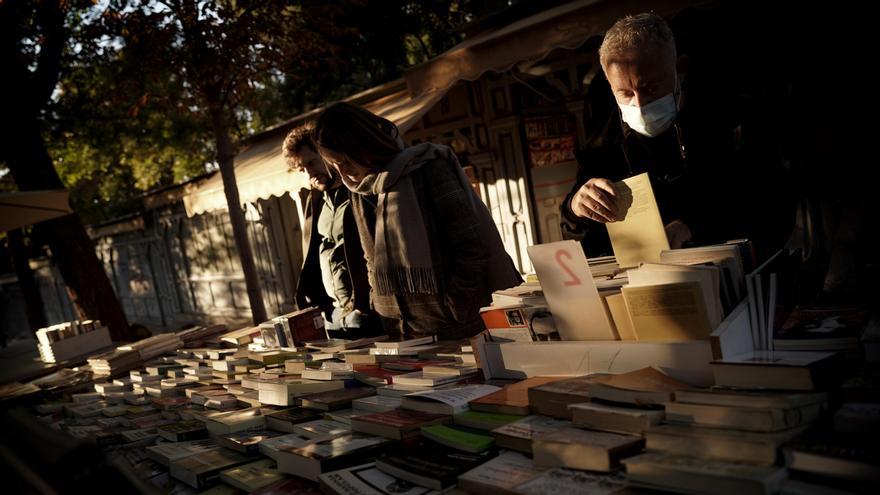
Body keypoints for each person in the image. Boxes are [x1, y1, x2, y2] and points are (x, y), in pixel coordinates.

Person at [562, 13, 792, 261]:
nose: (640, 104)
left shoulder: (733, 123)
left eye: (650, 87)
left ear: (678, 70)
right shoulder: (603, 148)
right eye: (625, 93)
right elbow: (584, 245)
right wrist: (576, 209)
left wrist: (697, 229)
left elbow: (776, 212)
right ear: (610, 87)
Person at [311, 102, 522, 340]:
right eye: (335, 165)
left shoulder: (427, 169)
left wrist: (456, 304)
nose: (343, 173)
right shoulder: (359, 191)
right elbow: (370, 258)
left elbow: (471, 244)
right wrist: (380, 306)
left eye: (346, 161)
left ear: (363, 145)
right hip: (400, 332)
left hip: (455, 327)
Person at [282, 124, 384, 339]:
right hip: (334, 314)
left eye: (311, 162)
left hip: (370, 311)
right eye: (302, 169)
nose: (310, 173)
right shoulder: (316, 201)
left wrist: (371, 304)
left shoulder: (361, 192)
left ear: (326, 155)